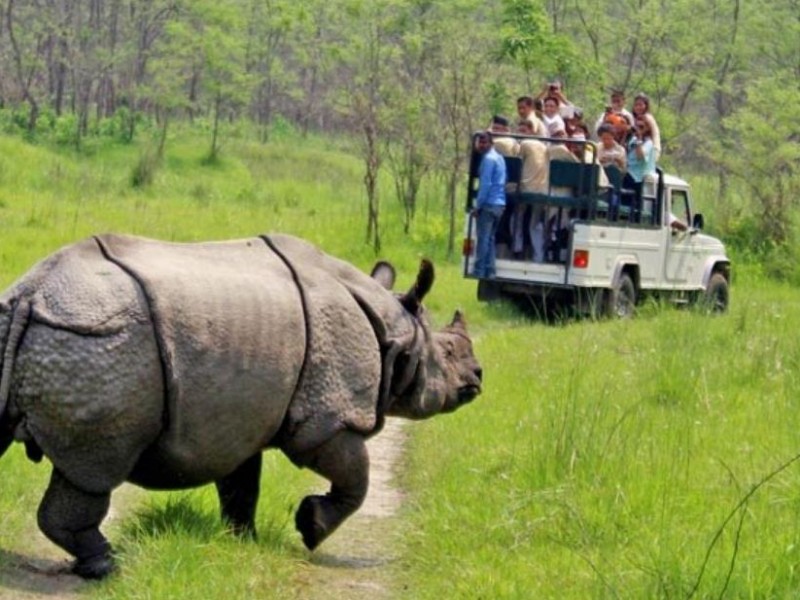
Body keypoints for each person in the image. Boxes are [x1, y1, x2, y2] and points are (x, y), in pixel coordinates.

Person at [471, 132, 506, 278]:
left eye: (484, 142)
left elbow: (485, 185)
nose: (481, 145)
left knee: (483, 239)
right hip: (500, 204)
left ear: (491, 143)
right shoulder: (500, 158)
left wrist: (478, 206)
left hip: (489, 204)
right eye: (480, 142)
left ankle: (479, 271)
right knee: (490, 239)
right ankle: (490, 271)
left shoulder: (488, 160)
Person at [624, 118, 657, 221]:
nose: (638, 129)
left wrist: (639, 139)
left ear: (647, 128)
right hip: (627, 171)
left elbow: (640, 156)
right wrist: (627, 134)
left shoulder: (649, 143)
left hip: (637, 177)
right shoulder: (632, 139)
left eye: (641, 127)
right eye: (637, 126)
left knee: (634, 203)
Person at [632, 93, 662, 159]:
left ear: (646, 105)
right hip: (638, 147)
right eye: (636, 105)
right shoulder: (634, 118)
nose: (638, 107)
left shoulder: (648, 117)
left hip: (650, 149)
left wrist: (656, 149)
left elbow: (653, 133)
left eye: (640, 105)